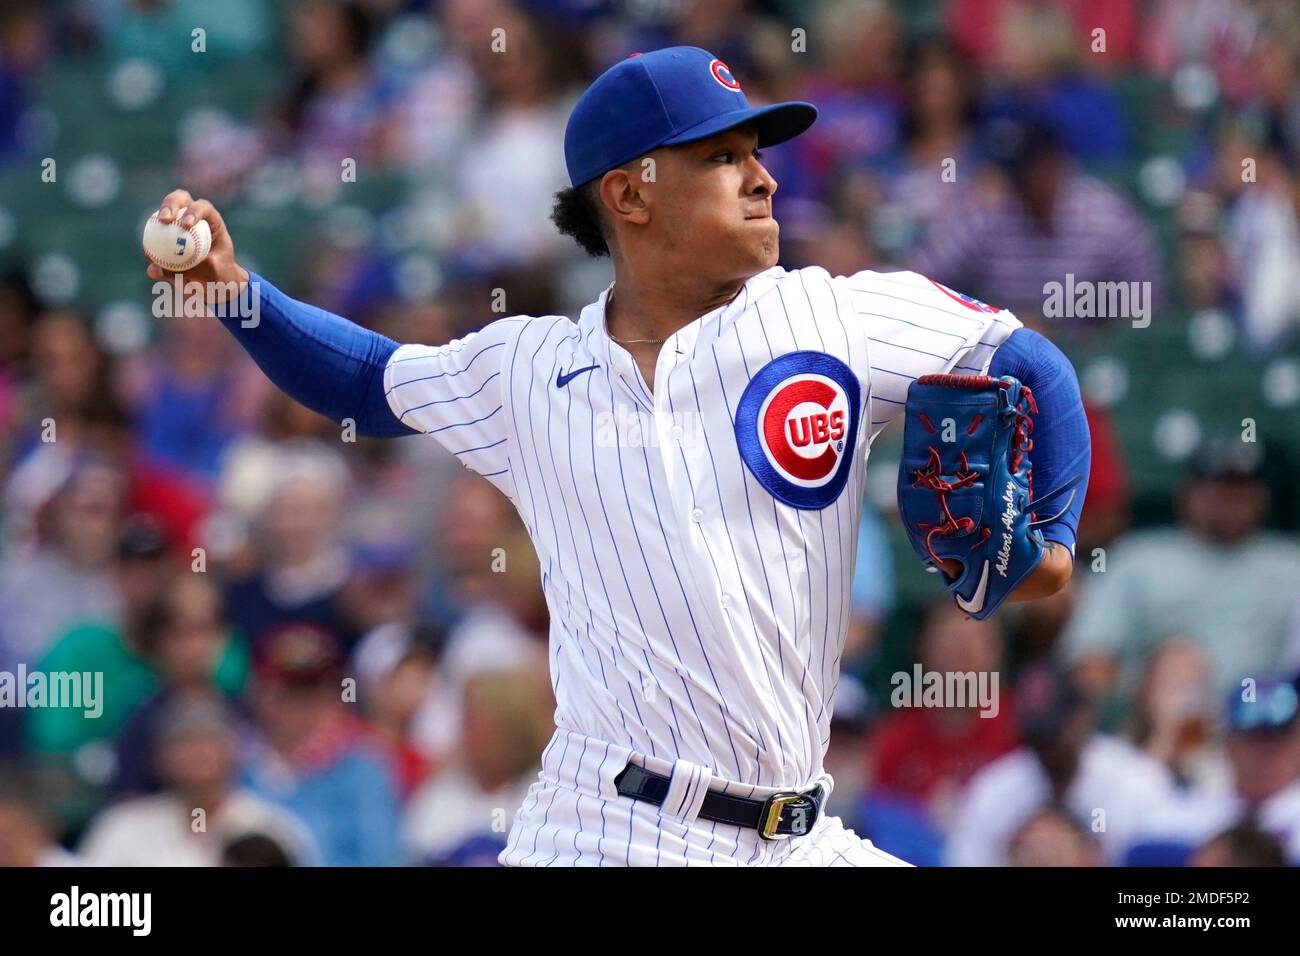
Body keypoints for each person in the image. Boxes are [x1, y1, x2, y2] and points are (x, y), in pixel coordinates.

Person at [143, 45, 1089, 866]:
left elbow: (1032, 363)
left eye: (756, 155)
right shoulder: (528, 369)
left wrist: (1050, 536)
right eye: (723, 157)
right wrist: (235, 292)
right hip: (610, 830)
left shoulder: (836, 316)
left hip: (800, 834)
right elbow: (366, 379)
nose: (763, 179)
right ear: (630, 194)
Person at [1063, 440, 1300, 708]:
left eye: (1243, 487)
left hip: (1270, 728)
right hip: (1162, 727)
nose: (1233, 499)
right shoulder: (1138, 558)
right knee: (1178, 663)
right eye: (1220, 486)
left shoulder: (1291, 564)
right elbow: (1091, 659)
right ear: (1188, 494)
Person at [945, 664, 1174, 866]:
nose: (1046, 748)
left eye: (1054, 735)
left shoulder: (1136, 781)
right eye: (1037, 737)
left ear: (1082, 718)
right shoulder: (995, 789)